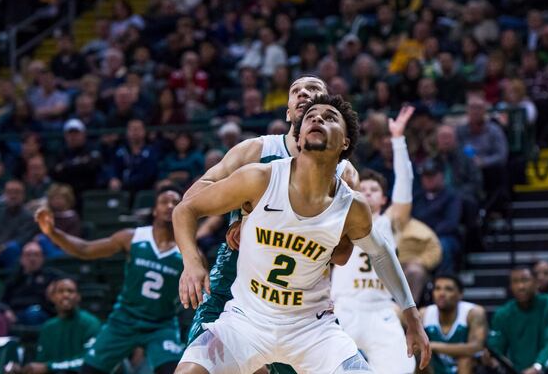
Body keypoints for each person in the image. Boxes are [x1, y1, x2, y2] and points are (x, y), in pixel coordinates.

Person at [174, 94, 430, 373]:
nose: (318, 118)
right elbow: (185, 209)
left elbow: (381, 253)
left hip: (312, 330)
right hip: (245, 322)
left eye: (330, 118)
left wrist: (412, 315)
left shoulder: (352, 206)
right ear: (298, 135)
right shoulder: (260, 178)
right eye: (311, 116)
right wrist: (192, 261)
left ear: (345, 142)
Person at [183, 77, 359, 374]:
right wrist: (241, 213)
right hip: (234, 286)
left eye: (314, 90)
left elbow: (343, 250)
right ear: (289, 114)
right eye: (296, 90)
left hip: (296, 302)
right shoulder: (256, 150)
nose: (304, 93)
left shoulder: (344, 173)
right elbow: (191, 198)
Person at [35, 187, 186, 374]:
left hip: (161, 324)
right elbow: (85, 249)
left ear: (183, 209)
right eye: (164, 201)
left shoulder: (188, 250)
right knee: (88, 371)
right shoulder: (132, 237)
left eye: (176, 202)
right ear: (154, 209)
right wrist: (53, 233)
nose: (170, 206)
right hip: (124, 320)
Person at [330, 106, 417, 374]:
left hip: (380, 309)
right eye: (363, 188)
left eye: (374, 189)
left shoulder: (387, 221)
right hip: (342, 307)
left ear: (383, 199)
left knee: (403, 367)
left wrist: (398, 140)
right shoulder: (338, 215)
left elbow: (404, 185)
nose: (367, 193)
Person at [486, 267, 548, 374]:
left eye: (525, 280)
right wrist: (492, 360)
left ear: (536, 283)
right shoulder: (502, 313)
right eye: (515, 282)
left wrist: (537, 367)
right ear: (510, 286)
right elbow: (495, 347)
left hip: (547, 368)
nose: (520, 286)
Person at [18, 277, 102, 374]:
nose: (66, 295)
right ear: (52, 297)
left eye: (70, 291)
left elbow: (89, 362)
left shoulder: (91, 323)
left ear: (78, 297)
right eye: (60, 291)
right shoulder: (48, 327)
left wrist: (49, 367)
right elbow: (41, 363)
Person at [422, 273, 488, 374]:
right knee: (419, 360)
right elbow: (415, 348)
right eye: (437, 289)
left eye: (448, 289)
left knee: (465, 360)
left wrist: (434, 346)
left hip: (467, 368)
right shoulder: (423, 314)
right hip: (436, 366)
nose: (442, 293)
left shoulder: (473, 312)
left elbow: (476, 347)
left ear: (460, 294)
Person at [412, 160, 463, 272]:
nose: (429, 179)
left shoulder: (452, 196)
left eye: (432, 175)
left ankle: (443, 280)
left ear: (441, 176)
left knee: (442, 246)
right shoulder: (417, 197)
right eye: (426, 176)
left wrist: (428, 235)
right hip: (417, 236)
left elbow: (451, 223)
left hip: (443, 236)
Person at [2, 241, 62, 325]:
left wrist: (55, 287)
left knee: (33, 313)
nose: (32, 258)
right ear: (21, 258)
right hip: (16, 314)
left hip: (39, 313)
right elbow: (3, 300)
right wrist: (7, 311)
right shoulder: (14, 278)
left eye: (36, 255)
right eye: (28, 255)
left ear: (42, 258)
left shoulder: (51, 277)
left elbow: (71, 280)